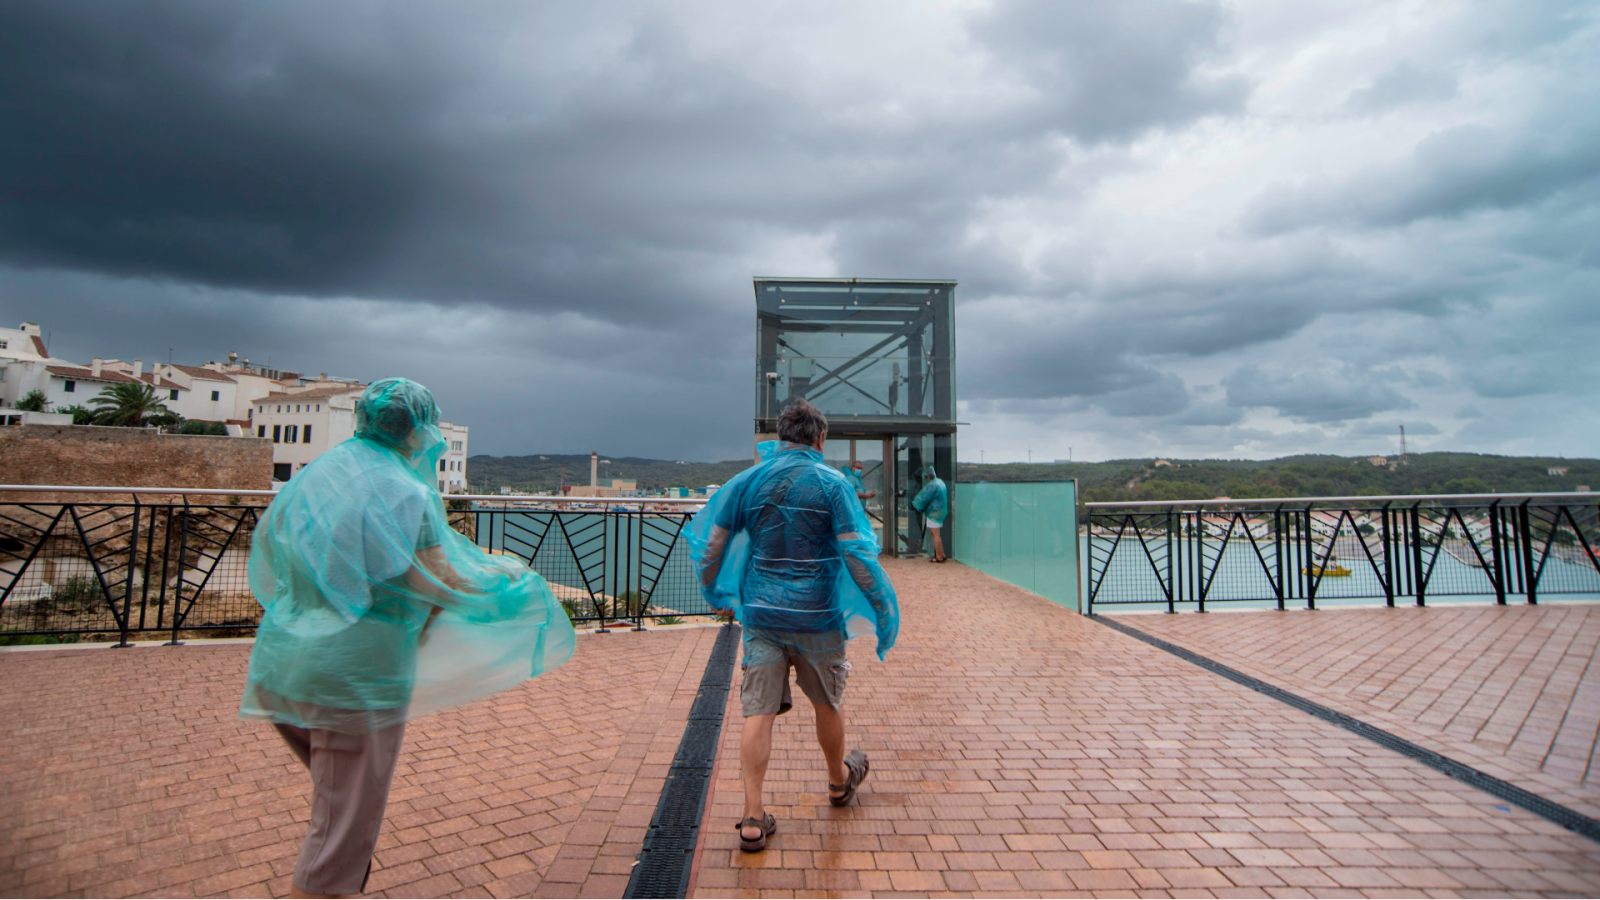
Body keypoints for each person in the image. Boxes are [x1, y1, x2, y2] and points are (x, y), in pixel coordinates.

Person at [240, 378, 576, 899]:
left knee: (336, 805)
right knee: (338, 836)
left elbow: (282, 557)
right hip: (352, 680)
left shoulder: (320, 473)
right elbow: (440, 577)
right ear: (420, 428)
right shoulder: (405, 491)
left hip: (282, 664)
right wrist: (511, 580)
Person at [687, 398, 898, 853]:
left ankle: (751, 816)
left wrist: (716, 594)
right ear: (820, 438)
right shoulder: (833, 484)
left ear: (781, 436)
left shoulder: (745, 482)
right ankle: (839, 783)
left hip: (761, 615)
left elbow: (712, 548)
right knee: (827, 703)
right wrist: (884, 610)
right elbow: (858, 558)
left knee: (757, 711)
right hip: (817, 618)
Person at [911, 464, 948, 562]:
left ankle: (938, 556)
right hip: (941, 511)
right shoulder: (940, 482)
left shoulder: (932, 485)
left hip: (934, 512)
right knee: (937, 534)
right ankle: (942, 554)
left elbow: (925, 499)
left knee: (934, 534)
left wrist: (919, 507)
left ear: (927, 477)